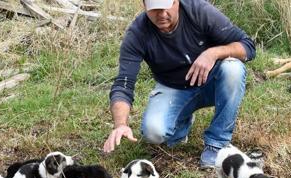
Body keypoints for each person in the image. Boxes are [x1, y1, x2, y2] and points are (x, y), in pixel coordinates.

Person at [102, 0, 256, 168]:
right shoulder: (137, 33)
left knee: (233, 69)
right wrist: (120, 124)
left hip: (211, 82)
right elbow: (123, 84)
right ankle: (182, 122)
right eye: (155, 9)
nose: (161, 15)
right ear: (144, 6)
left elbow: (247, 46)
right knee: (153, 132)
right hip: (172, 88)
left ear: (177, 2)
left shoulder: (200, 11)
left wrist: (214, 53)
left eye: (166, 7)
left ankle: (217, 143)